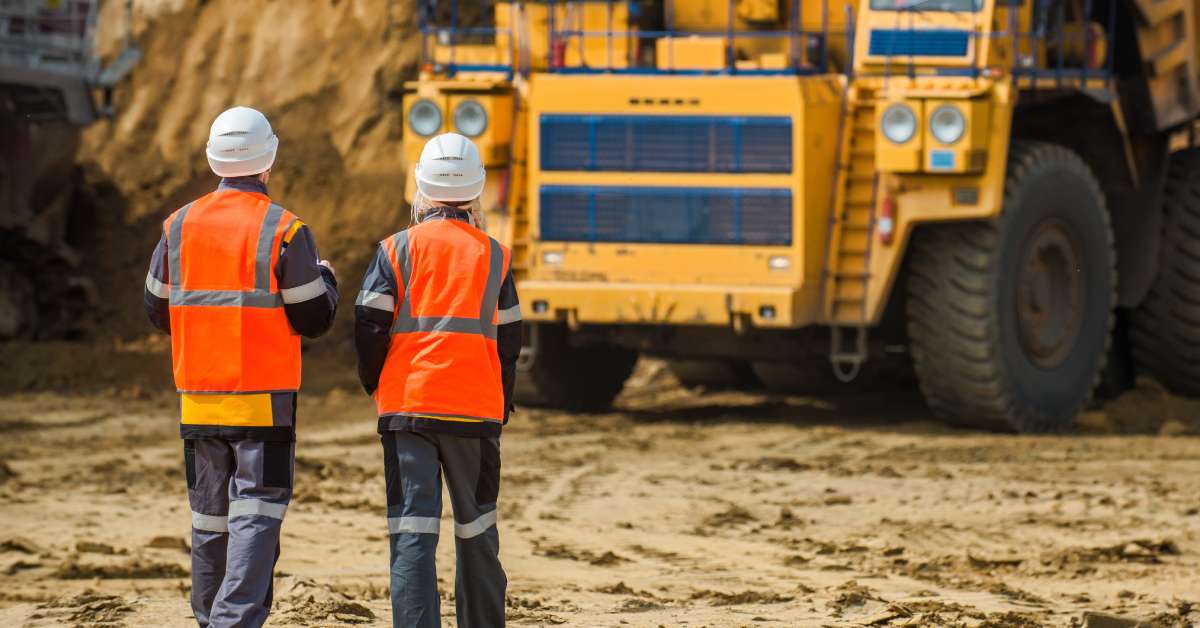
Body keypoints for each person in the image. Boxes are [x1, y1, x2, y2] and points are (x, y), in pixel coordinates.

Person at [143, 106, 339, 628]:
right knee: (256, 514)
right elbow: (313, 316)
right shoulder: (284, 229)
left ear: (213, 161)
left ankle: (211, 617)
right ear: (267, 161)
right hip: (262, 398)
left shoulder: (177, 224)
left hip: (198, 396)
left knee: (210, 519)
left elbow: (157, 308)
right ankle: (234, 620)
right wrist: (328, 280)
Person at [354, 132, 521, 628]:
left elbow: (368, 324)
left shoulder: (395, 249)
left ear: (420, 189)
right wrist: (502, 400)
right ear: (476, 193)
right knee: (477, 530)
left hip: (409, 409)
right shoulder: (495, 255)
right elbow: (510, 341)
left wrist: (375, 383)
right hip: (475, 411)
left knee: (412, 531)